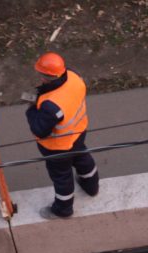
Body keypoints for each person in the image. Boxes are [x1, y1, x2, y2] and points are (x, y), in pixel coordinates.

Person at [25, 52, 100, 220]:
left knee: (62, 177)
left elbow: (39, 129)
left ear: (46, 76)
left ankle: (63, 209)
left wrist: (31, 109)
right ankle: (91, 186)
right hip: (78, 133)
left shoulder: (51, 106)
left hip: (57, 148)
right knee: (82, 158)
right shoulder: (74, 77)